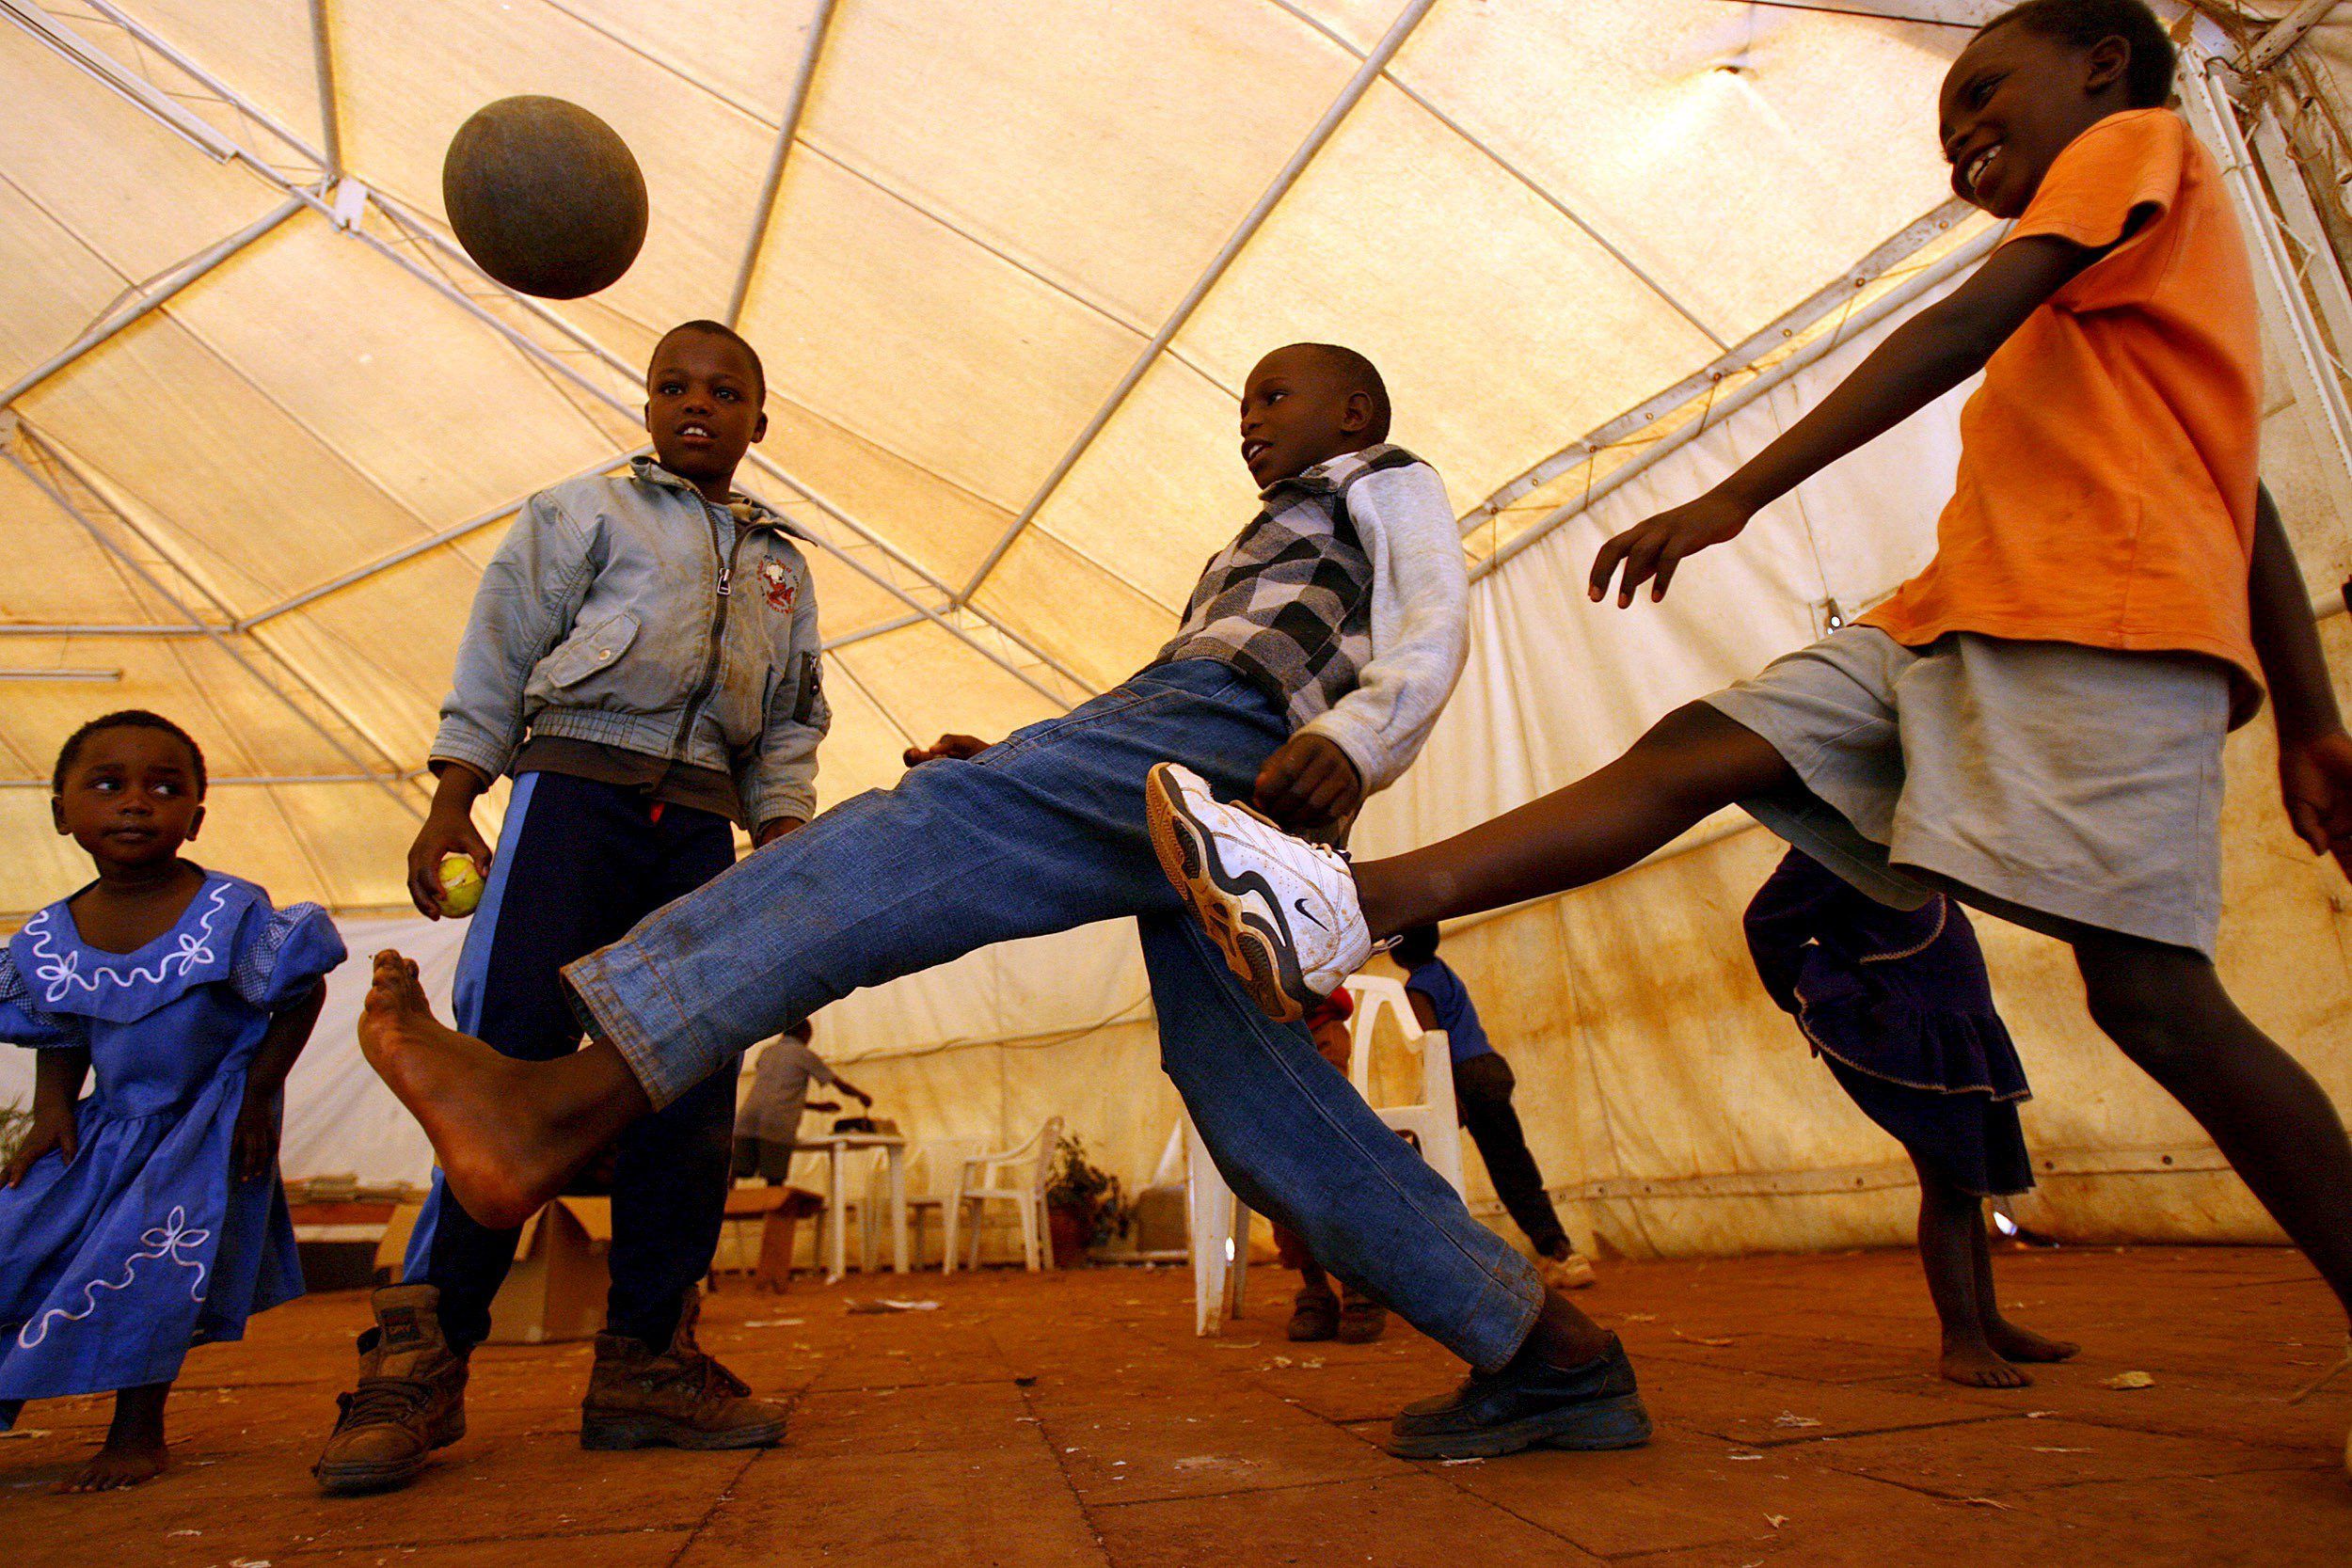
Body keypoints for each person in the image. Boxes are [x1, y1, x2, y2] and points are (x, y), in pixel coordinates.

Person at [1148, 1, 2352, 1471]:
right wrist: (2314, 715)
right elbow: (2255, 495)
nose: (1966, 134)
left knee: (2154, 999)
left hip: (2101, 619)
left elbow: (1990, 338)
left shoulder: (2135, 148)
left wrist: (1739, 493)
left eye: (1983, 92)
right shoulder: (2126, 282)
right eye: (1951, 120)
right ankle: (1347, 904)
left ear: (2101, 59)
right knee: (1692, 748)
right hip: (1941, 618)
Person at [351, 341, 1654, 1464]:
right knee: (1257, 1099)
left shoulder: (1385, 481)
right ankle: (1554, 1351)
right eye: (1241, 408)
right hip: (1196, 767)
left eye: (1274, 398)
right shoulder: (1242, 552)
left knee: (917, 835)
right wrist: (1026, 749)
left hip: (1235, 743)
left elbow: (1433, 621)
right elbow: (1152, 698)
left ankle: (549, 1106)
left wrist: (1367, 740)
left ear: (1354, 417)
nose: (1250, 421)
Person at [313, 320, 828, 1494]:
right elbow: (497, 654)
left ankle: (646, 1362)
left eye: (725, 391)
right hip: (569, 797)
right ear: (647, 406)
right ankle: (417, 1364)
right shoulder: (578, 513)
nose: (696, 405)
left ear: (760, 417)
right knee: (501, 1070)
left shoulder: (781, 565)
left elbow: (793, 712)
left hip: (700, 823)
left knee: (689, 1084)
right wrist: (456, 799)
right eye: (671, 387)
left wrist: (783, 835)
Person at [0, 711, 343, 1492]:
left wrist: (257, 1094)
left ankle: (137, 1430)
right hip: (110, 1123)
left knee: (147, 1269)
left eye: (164, 787)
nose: (135, 802)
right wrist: (53, 1109)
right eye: (107, 784)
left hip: (204, 1126)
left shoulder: (231, 911)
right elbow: (58, 1026)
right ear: (61, 811)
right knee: (18, 1240)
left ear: (195, 816)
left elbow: (298, 989)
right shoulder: (48, 935)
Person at [1744, 849, 2074, 1386]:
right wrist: (1826, 996)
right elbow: (1765, 924)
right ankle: (1962, 1339)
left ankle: (1986, 1323)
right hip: (1910, 1032)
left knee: (1967, 1185)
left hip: (1960, 1024)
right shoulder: (1831, 842)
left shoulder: (1907, 836)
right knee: (1947, 1183)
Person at [1391, 926, 1596, 1293]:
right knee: (1513, 1164)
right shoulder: (1444, 972)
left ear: (1397, 951)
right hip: (1491, 1068)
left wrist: (1445, 1095)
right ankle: (1561, 1252)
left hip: (1463, 1076)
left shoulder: (1417, 987)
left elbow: (1434, 1045)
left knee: (1421, 1165)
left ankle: (1405, 1256)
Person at [1277, 990, 1390, 1344]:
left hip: (1316, 1027)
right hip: (1261, 1041)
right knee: (1273, 1159)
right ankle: (1315, 1285)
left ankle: (1357, 1278)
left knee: (1328, 1150)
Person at [733, 1020, 872, 1183]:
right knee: (774, 1180)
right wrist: (861, 1096)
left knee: (734, 1175)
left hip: (746, 1121)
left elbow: (775, 1094)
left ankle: (725, 1209)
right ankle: (772, 1209)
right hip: (777, 1125)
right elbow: (839, 1085)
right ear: (804, 1033)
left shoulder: (767, 1052)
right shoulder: (804, 1054)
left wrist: (817, 1107)